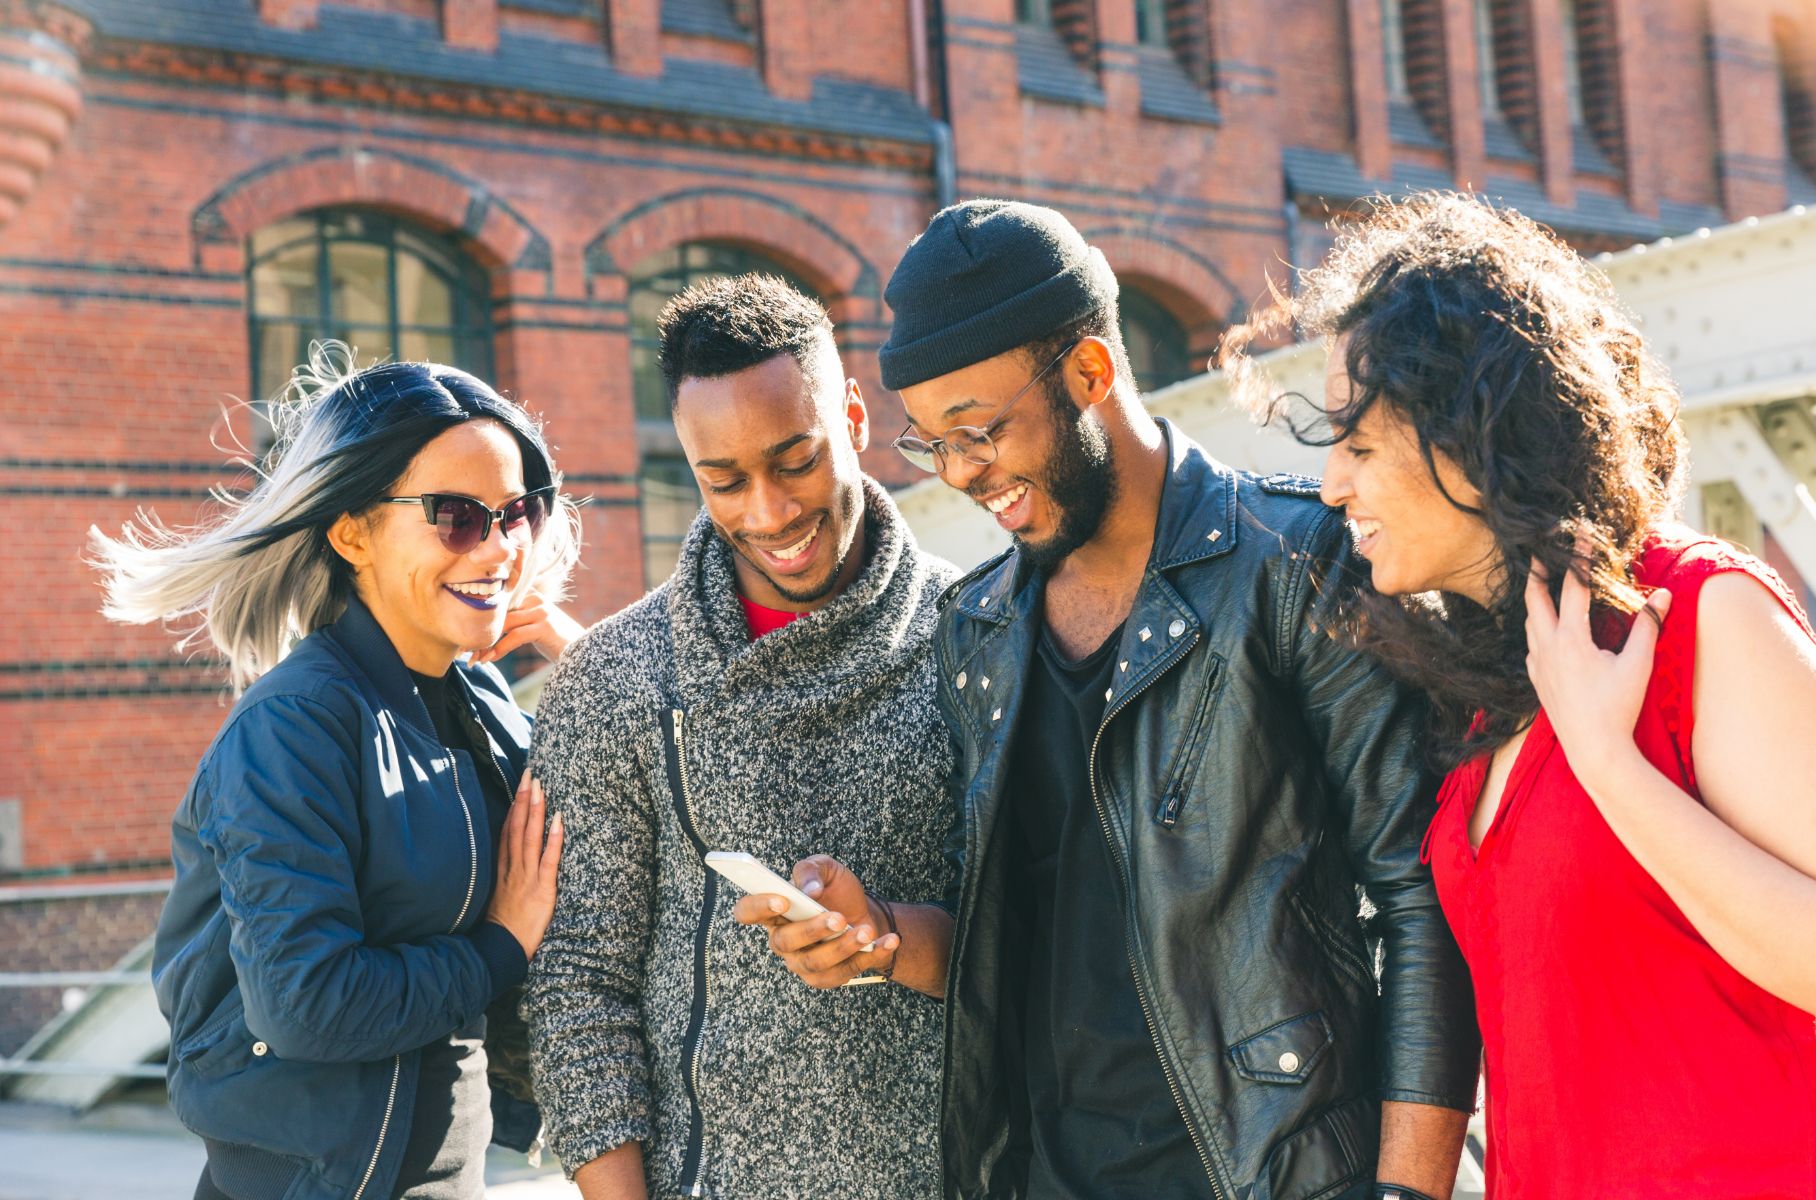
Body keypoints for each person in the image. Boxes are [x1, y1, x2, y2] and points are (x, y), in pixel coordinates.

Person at [743, 200, 1481, 1200]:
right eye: (929, 446)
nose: (961, 474)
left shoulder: (1293, 567)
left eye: (978, 431)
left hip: (1274, 1173)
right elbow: (1023, 930)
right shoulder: (979, 629)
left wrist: (1406, 1192)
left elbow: (1421, 905)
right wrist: (874, 933)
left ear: (1089, 373)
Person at [1229, 192, 1816, 1196]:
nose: (1331, 485)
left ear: (1468, 434)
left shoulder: (1694, 614)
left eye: (1360, 444)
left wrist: (1609, 763)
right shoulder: (1485, 692)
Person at [92, 346, 581, 1200]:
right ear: (352, 531)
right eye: (457, 516)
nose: (500, 547)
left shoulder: (481, 703)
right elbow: (305, 1001)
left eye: (518, 512)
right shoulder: (297, 725)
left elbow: (645, 828)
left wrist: (583, 659)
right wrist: (498, 949)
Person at [521, 274, 960, 1199]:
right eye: (723, 480)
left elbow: (1044, 942)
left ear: (852, 415)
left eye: (796, 461)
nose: (767, 512)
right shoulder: (612, 679)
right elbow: (577, 987)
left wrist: (884, 938)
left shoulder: (978, 636)